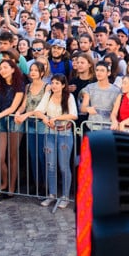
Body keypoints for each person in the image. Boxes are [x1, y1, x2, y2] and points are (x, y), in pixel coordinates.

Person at [33, 74, 78, 210]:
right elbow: (38, 111)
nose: (54, 85)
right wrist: (45, 119)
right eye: (52, 83)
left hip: (64, 133)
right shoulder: (48, 95)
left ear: (63, 85)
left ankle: (65, 196)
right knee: (50, 165)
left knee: (63, 166)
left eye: (57, 83)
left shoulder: (69, 97)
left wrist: (57, 118)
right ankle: (52, 194)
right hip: (50, 133)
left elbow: (74, 114)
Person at [0, 58, 25, 194]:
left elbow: (14, 107)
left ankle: (12, 187)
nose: (2, 71)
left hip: (14, 120)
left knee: (13, 156)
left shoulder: (19, 84)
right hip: (0, 120)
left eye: (6, 68)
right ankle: (4, 181)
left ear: (13, 69)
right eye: (1, 68)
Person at [14, 59, 50, 196]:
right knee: (33, 156)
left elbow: (43, 108)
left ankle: (45, 185)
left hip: (41, 124)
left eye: (36, 70)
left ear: (41, 72)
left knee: (43, 156)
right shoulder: (27, 87)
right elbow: (24, 104)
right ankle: (36, 183)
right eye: (31, 70)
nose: (33, 72)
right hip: (29, 124)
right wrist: (18, 112)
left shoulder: (47, 87)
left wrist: (25, 114)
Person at [81, 61, 121, 131]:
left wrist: (114, 121)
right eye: (97, 70)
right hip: (91, 127)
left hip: (108, 128)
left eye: (102, 70)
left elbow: (115, 112)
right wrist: (88, 109)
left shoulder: (116, 91)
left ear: (108, 73)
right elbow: (83, 108)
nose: (99, 73)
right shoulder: (90, 87)